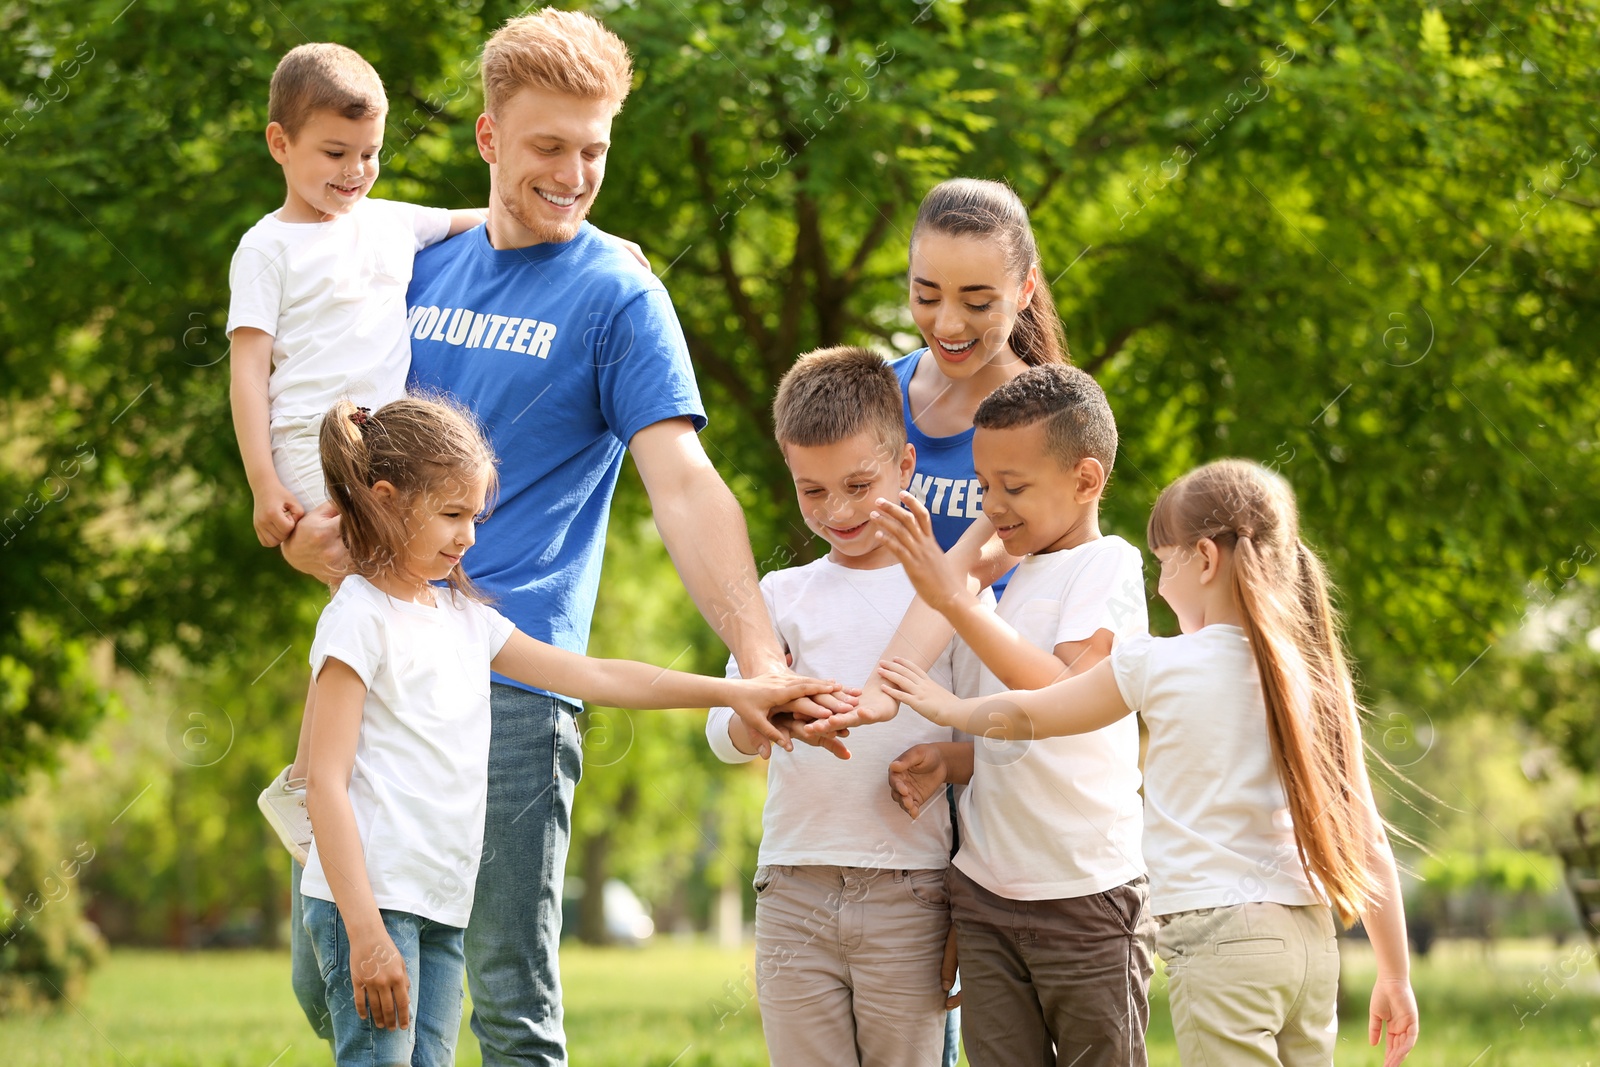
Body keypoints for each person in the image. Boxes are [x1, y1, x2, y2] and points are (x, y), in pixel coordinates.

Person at [280, 11, 843, 1064]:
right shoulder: (415, 260)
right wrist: (304, 526)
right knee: (333, 963)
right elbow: (317, 381)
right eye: (548, 147)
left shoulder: (617, 294)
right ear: (490, 140)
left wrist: (757, 656)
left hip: (511, 681)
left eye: (594, 149)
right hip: (376, 658)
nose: (575, 173)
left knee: (502, 991)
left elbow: (682, 481)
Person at [301, 395, 838, 1067]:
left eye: (475, 515)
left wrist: (737, 690)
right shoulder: (358, 617)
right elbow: (322, 780)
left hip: (441, 903)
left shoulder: (467, 619)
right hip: (373, 903)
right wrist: (364, 929)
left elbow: (601, 676)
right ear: (385, 498)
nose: (469, 535)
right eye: (451, 514)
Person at [878, 459, 1421, 1067]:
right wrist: (1395, 976)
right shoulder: (1314, 674)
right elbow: (1367, 834)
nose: (1159, 586)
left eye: (1164, 562)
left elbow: (1037, 714)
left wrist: (948, 704)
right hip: (1311, 939)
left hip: (1223, 942)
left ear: (1206, 561)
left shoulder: (1158, 663)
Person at [870, 364, 1153, 1067]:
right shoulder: (1019, 578)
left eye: (1013, 487)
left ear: (1086, 481)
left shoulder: (1109, 568)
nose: (991, 506)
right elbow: (1022, 740)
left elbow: (1066, 699)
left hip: (1086, 900)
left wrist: (958, 603)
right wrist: (953, 758)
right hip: (990, 896)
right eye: (984, 485)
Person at [705, 347, 966, 1067]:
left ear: (906, 465)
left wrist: (946, 761)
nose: (839, 511)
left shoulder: (948, 597)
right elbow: (722, 732)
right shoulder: (781, 597)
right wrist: (757, 718)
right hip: (794, 882)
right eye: (812, 491)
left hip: (911, 890)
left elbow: (988, 736)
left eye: (860, 483)